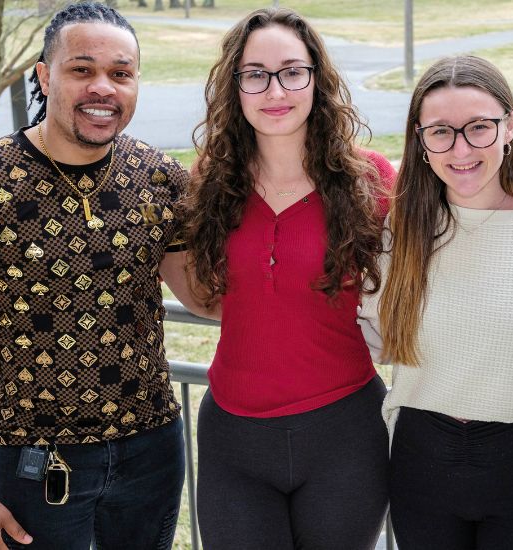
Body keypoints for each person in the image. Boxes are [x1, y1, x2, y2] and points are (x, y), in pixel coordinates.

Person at [0, 3, 188, 549]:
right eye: (81, 69)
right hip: (34, 468)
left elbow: (204, 294)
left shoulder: (160, 177)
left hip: (153, 453)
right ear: (44, 74)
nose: (102, 88)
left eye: (121, 73)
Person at [171, 7, 396, 550]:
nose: (276, 90)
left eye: (293, 71)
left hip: (345, 434)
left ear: (317, 78)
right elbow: (204, 290)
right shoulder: (209, 180)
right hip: (234, 439)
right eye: (256, 74)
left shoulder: (373, 180)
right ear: (236, 85)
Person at [359, 55, 513, 550]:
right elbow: (372, 332)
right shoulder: (406, 226)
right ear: (420, 140)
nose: (460, 149)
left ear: (510, 127)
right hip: (421, 457)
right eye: (440, 132)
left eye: (479, 127)